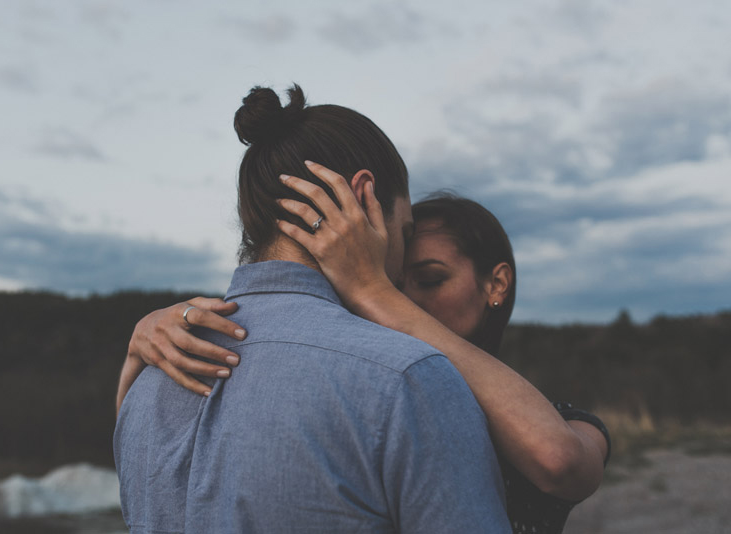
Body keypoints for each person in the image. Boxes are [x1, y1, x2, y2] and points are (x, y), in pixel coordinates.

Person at [114, 85, 511, 533]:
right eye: (405, 229)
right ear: (364, 197)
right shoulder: (408, 380)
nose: (402, 273)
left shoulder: (147, 385)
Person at [118, 180, 610, 533]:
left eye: (432, 279)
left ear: (496, 284)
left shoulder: (566, 421)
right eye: (400, 282)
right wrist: (141, 348)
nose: (408, 299)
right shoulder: (379, 389)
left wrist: (375, 289)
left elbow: (558, 460)